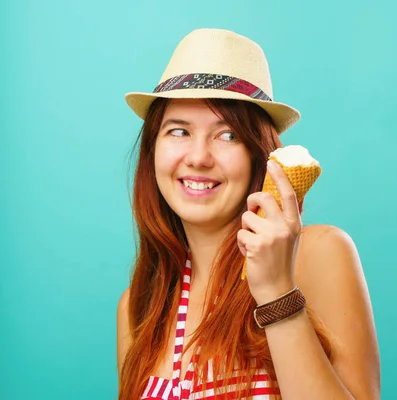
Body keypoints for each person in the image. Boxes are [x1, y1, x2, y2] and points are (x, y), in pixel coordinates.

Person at [116, 28, 380, 400]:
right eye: (178, 131)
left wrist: (276, 290)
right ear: (152, 152)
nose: (198, 157)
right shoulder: (139, 304)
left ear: (259, 154)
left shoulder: (316, 253)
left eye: (227, 136)